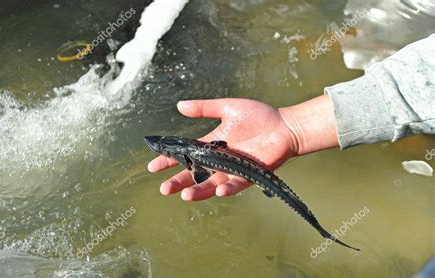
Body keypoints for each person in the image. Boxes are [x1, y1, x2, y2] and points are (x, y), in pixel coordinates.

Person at [147, 35, 435, 201]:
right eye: (163, 144)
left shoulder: (196, 158)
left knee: (277, 190)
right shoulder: (195, 154)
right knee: (275, 188)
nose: (160, 144)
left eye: (162, 145)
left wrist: (292, 128)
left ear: (182, 149)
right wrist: (292, 127)